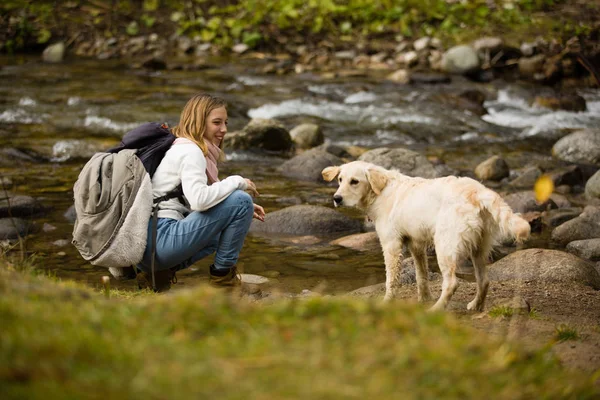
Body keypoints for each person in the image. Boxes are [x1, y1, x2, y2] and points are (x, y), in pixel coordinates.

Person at [136, 93, 265, 292]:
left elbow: (203, 197)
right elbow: (199, 201)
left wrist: (243, 209)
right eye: (216, 122)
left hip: (148, 248)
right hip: (160, 239)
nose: (224, 129)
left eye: (225, 122)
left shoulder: (180, 146)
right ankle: (224, 283)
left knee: (236, 210)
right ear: (198, 121)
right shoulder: (191, 151)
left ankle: (158, 276)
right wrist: (238, 182)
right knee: (240, 199)